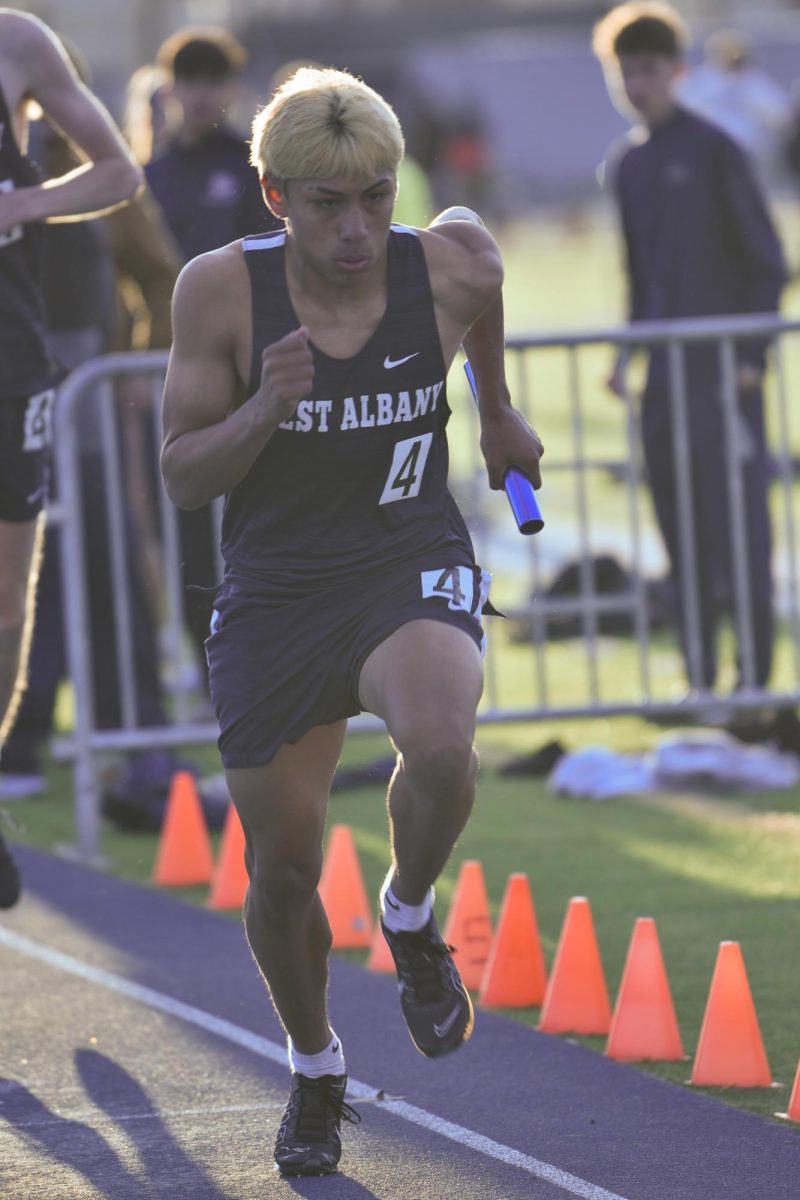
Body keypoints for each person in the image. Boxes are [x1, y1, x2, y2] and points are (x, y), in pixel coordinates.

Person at [160, 66, 543, 1177]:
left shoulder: (449, 259)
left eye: (376, 197)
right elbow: (183, 476)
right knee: (280, 875)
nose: (358, 226)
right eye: (328, 203)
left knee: (441, 744)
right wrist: (264, 409)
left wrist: (498, 406)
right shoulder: (220, 292)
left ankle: (409, 914)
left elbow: (481, 262)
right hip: (276, 588)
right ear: (277, 197)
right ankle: (316, 1067)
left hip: (401, 554)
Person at [592, 3, 786, 695]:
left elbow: (768, 262)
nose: (637, 84)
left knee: (739, 534)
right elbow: (639, 276)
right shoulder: (627, 166)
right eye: (625, 72)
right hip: (665, 386)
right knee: (681, 532)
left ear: (677, 72)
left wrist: (749, 357)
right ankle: (702, 678)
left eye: (648, 69)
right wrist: (623, 357)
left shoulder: (716, 148)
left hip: (723, 379)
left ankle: (755, 680)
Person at [0, 9, 141, 906]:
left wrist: (25, 202)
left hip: (12, 362)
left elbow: (120, 171)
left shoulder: (18, 42)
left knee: (7, 606)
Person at [146, 26, 280, 688]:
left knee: (270, 519)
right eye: (188, 82)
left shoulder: (252, 168)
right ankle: (211, 673)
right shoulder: (152, 175)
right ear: (169, 88)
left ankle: (282, 659)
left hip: (259, 375)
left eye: (213, 82)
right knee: (190, 532)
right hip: (178, 380)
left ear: (231, 90)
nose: (200, 97)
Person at [677, 30, 791, 187]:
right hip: (709, 153)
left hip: (749, 153)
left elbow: (779, 112)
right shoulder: (702, 80)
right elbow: (685, 110)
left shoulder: (751, 80)